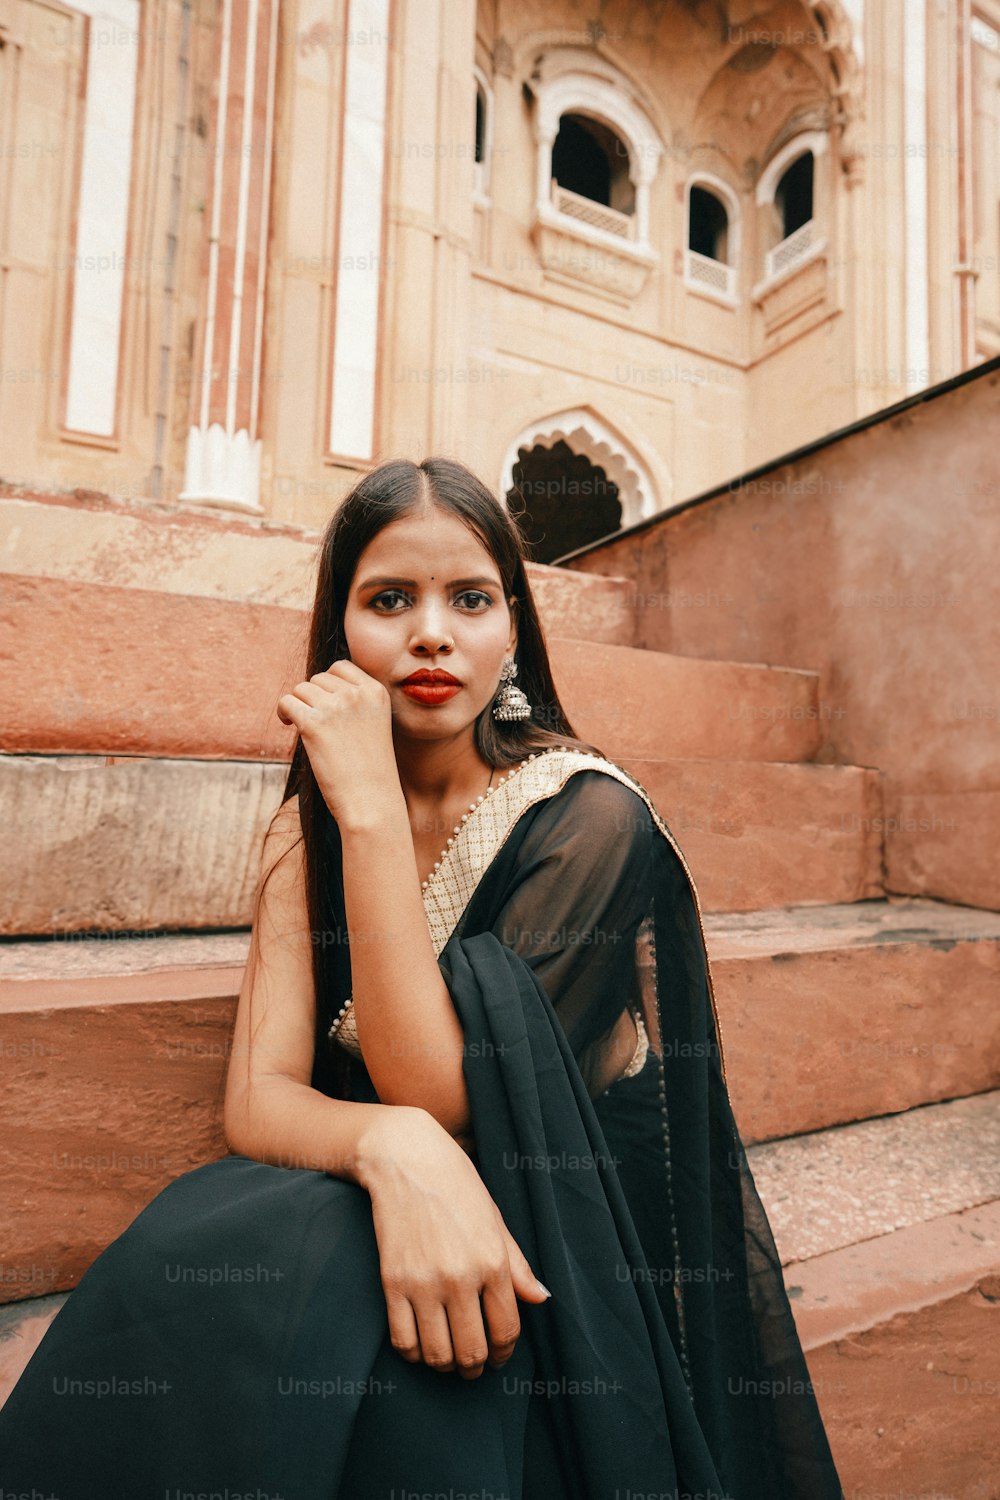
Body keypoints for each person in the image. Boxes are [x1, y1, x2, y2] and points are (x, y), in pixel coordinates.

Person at [0, 457, 846, 1499]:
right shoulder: (302, 830)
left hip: (552, 1242)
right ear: (340, 632)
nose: (432, 632)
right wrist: (389, 1146)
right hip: (386, 1196)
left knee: (366, 1343)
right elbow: (261, 1097)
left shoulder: (589, 822)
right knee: (203, 1247)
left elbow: (441, 1092)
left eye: (471, 599)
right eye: (389, 599)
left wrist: (364, 817)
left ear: (514, 632)